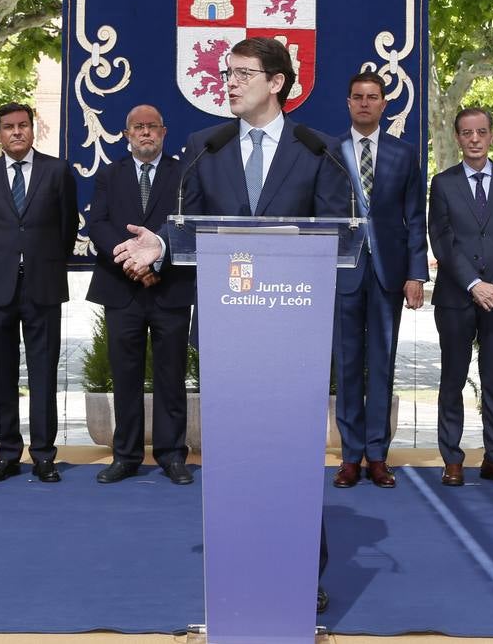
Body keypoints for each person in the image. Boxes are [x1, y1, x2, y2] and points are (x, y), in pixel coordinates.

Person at [113, 36, 348, 615]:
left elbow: (339, 237)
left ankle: (299, 567)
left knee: (292, 454)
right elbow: (190, 226)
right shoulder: (204, 147)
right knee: (237, 454)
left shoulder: (318, 149)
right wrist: (162, 245)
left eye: (244, 73)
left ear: (277, 82)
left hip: (294, 330)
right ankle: (239, 561)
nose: (231, 82)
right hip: (228, 329)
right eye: (227, 72)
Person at [87, 105, 195, 485]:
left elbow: (188, 223)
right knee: (125, 375)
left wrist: (155, 262)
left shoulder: (183, 174)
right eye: (138, 127)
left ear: (164, 132)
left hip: (170, 289)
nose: (145, 133)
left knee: (171, 375)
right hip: (122, 289)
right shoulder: (109, 175)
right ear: (127, 134)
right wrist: (131, 262)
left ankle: (171, 455)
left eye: (152, 127)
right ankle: (126, 455)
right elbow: (96, 223)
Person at [0, 102, 78, 483]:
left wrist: (41, 259)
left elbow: (67, 228)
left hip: (43, 284)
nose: (16, 132)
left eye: (22, 126)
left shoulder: (57, 170)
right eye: (7, 127)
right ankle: (8, 453)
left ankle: (45, 454)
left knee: (43, 372)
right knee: (1, 373)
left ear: (33, 129)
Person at [331, 72, 427, 490]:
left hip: (389, 272)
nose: (365, 103)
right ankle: (350, 457)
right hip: (343, 272)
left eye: (373, 97)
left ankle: (377, 456)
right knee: (348, 366)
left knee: (382, 367)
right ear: (348, 103)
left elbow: (415, 218)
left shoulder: (404, 155)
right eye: (358, 97)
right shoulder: (330, 153)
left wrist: (416, 273)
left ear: (384, 104)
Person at [428, 107, 493, 487]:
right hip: (457, 297)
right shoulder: (443, 183)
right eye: (467, 133)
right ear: (457, 137)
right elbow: (442, 240)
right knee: (452, 379)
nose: (474, 139)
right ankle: (452, 460)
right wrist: (474, 284)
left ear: (491, 136)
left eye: (481, 132)